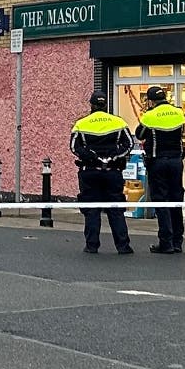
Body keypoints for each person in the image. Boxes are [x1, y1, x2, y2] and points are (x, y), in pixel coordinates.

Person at [70, 93, 135, 255]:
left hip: (90, 172)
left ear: (91, 105)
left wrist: (92, 157)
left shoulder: (81, 124)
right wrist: (113, 156)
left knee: (92, 209)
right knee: (116, 209)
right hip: (113, 172)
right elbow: (129, 144)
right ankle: (123, 246)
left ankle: (92, 246)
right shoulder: (118, 122)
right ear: (105, 105)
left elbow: (74, 147)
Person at [135, 85, 185, 254]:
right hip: (176, 161)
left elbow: (140, 134)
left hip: (158, 162)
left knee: (161, 200)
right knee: (176, 199)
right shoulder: (178, 112)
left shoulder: (150, 116)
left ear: (150, 101)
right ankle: (178, 241)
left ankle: (166, 242)